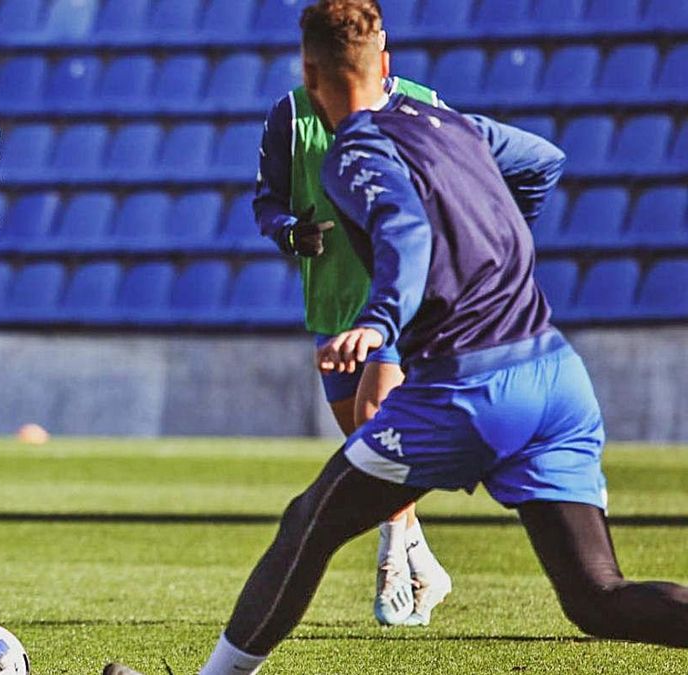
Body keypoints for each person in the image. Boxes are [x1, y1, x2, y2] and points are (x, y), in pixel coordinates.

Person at [106, 2, 688, 674]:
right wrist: (501, 247)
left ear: (310, 74)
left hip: (466, 388)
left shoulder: (353, 149)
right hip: (555, 375)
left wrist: (378, 320)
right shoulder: (449, 121)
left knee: (309, 524)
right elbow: (543, 161)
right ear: (384, 65)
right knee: (596, 596)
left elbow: (405, 232)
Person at [253, 0, 449, 626]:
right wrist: (291, 233)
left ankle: (392, 558)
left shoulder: (423, 106)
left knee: (374, 414)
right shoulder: (290, 114)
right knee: (368, 438)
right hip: (333, 300)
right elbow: (268, 201)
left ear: (381, 50)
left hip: (398, 302)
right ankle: (421, 552)